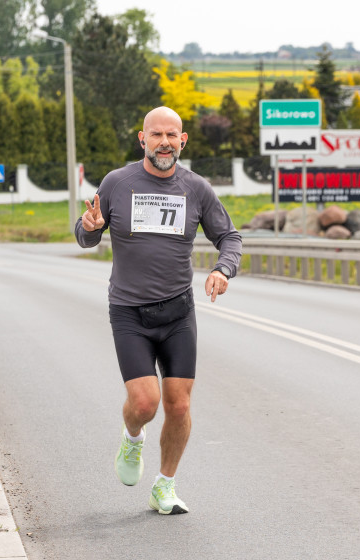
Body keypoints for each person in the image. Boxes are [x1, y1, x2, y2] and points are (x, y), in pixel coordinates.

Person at [75, 106, 242, 515]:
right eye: (156, 135)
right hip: (129, 312)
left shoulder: (196, 189)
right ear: (142, 139)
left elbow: (230, 236)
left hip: (178, 312)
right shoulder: (118, 183)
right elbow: (84, 236)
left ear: (183, 141)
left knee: (179, 405)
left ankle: (164, 485)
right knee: (145, 403)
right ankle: (133, 437)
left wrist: (223, 269)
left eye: (172, 135)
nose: (164, 142)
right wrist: (91, 227)